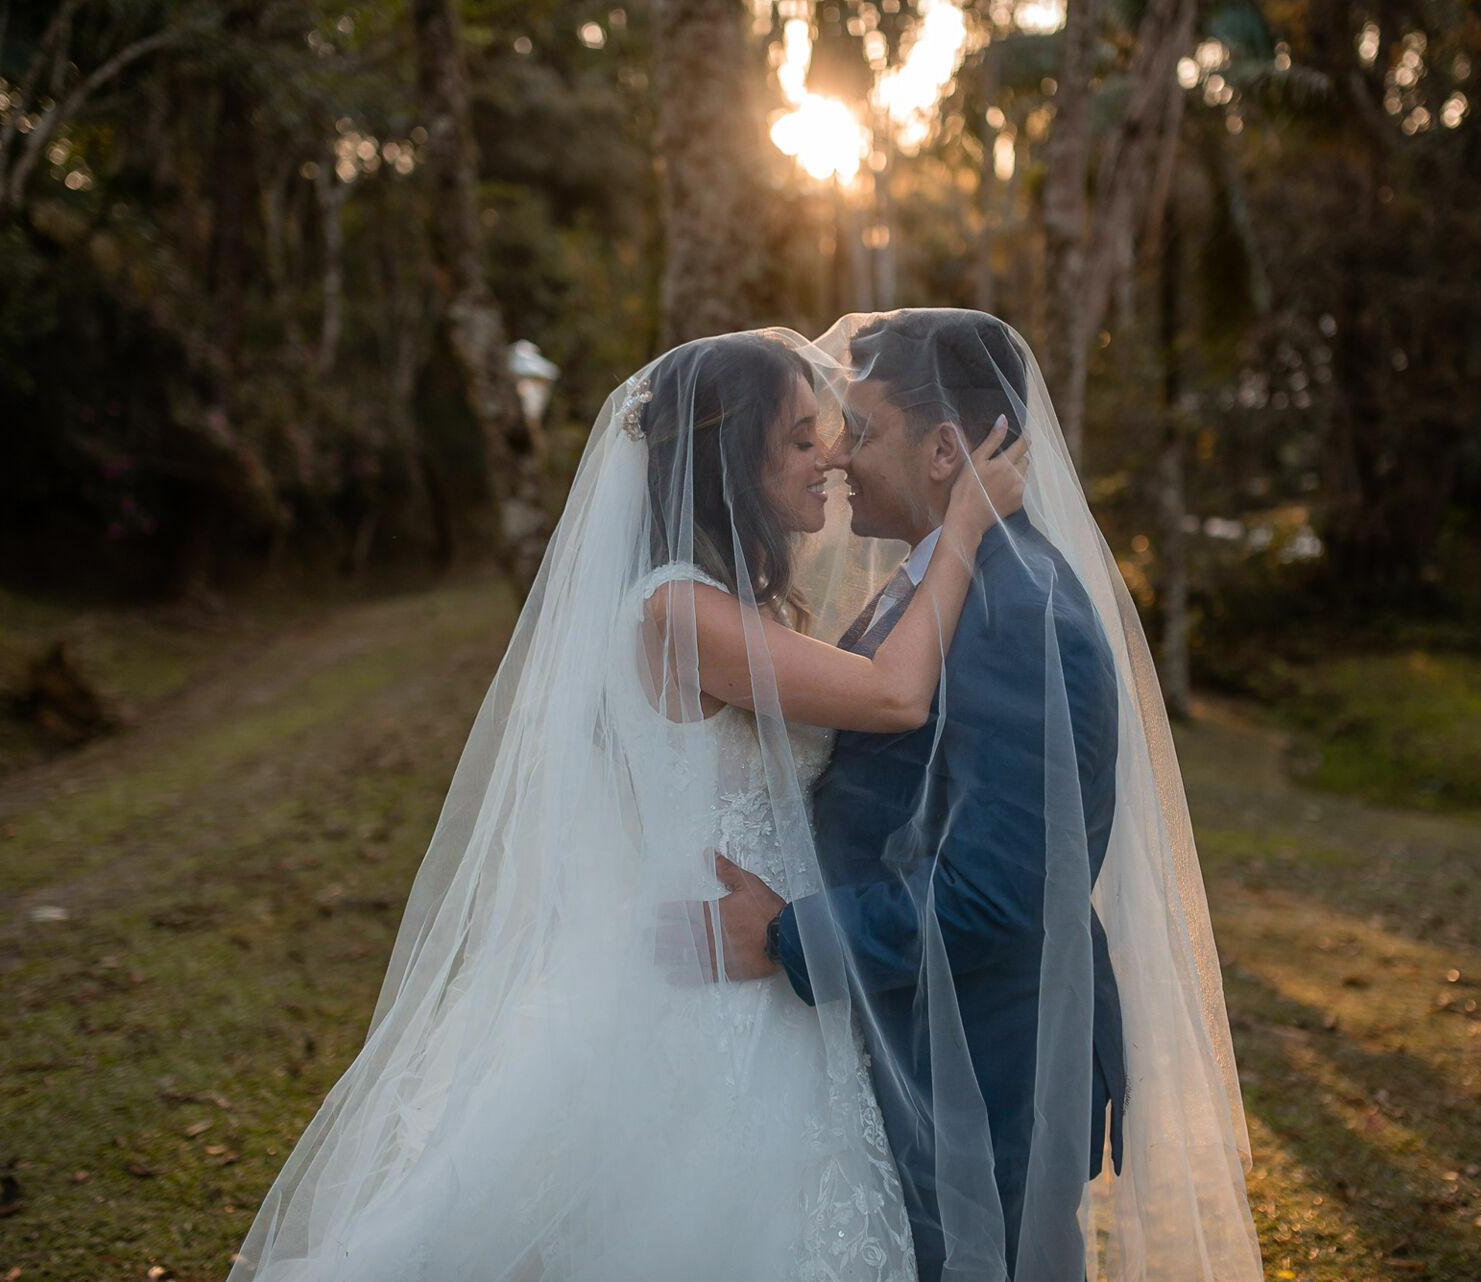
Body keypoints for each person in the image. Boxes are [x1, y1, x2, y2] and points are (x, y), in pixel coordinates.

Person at [227, 328, 1027, 1282]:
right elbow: (895, 695)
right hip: (711, 1005)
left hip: (758, 973)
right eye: (803, 439)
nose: (835, 458)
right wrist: (968, 528)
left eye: (836, 435)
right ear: (734, 464)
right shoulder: (680, 615)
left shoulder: (724, 608)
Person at [707, 310, 1263, 1282]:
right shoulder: (934, 584)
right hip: (918, 1049)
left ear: (944, 452)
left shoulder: (1019, 612)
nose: (839, 456)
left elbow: (1003, 892)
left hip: (981, 1076)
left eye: (864, 430)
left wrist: (792, 937)